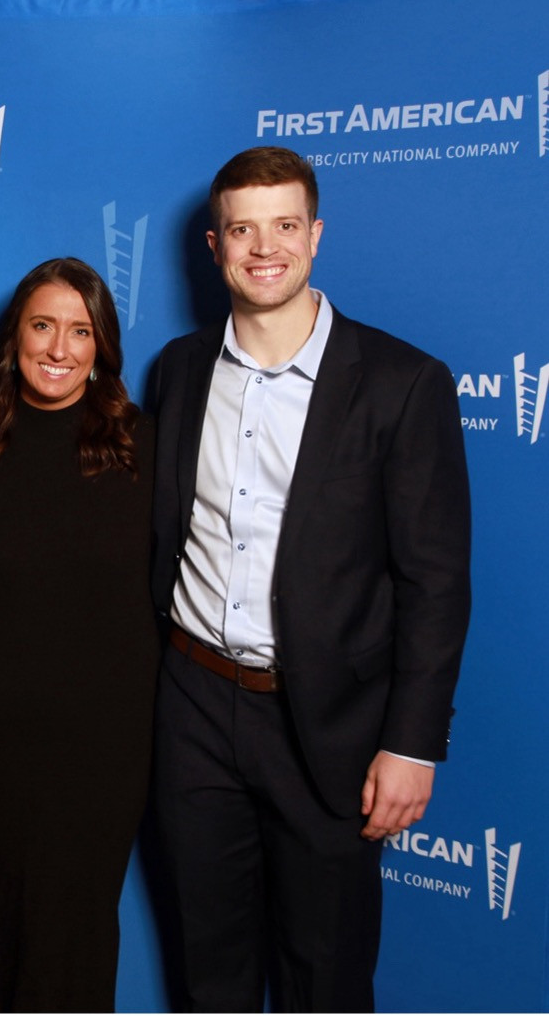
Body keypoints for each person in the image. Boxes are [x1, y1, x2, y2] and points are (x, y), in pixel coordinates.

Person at [148, 146, 471, 1011]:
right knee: (206, 966)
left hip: (327, 722)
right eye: (243, 229)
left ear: (315, 236)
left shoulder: (404, 384)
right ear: (214, 245)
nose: (264, 248)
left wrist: (412, 741)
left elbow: (435, 581)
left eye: (284, 226)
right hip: (192, 709)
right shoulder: (179, 371)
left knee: (322, 973)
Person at [0, 258, 156, 1012]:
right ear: (14, 340)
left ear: (102, 346)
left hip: (104, 750)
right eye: (42, 326)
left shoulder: (145, 450)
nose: (59, 347)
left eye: (80, 329)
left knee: (76, 940)